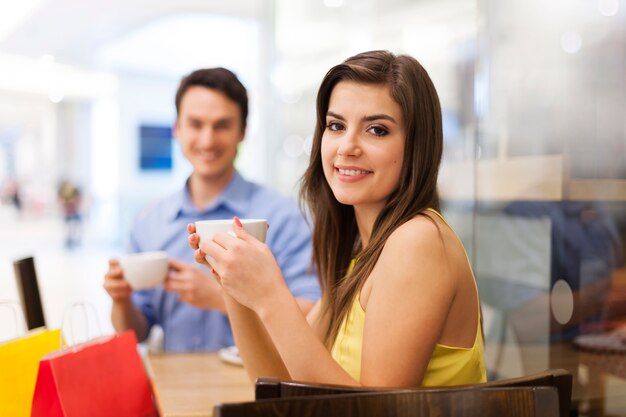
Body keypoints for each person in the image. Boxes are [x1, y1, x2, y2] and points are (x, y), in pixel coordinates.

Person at [188, 50, 486, 386]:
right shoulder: (361, 257)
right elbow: (279, 387)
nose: (347, 146)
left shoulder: (418, 241)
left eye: (376, 130)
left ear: (417, 145)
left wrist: (270, 295)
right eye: (336, 125)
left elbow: (377, 414)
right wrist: (233, 285)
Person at [104, 68, 320, 352]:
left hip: (255, 389)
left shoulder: (282, 217)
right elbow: (136, 332)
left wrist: (219, 296)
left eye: (221, 125)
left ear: (242, 131)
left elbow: (312, 316)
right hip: (174, 390)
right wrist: (121, 299)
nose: (207, 140)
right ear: (177, 129)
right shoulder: (149, 221)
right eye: (195, 124)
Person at [58, 180, 83, 248]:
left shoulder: (76, 193)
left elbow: (77, 202)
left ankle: (74, 240)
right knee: (68, 228)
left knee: (75, 227)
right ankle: (69, 240)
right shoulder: (64, 194)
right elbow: (62, 202)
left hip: (75, 213)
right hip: (68, 214)